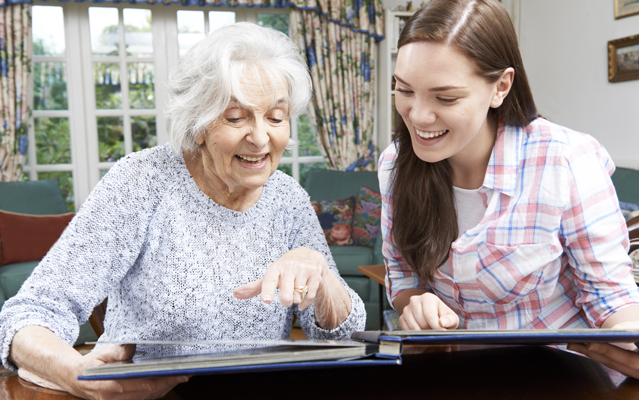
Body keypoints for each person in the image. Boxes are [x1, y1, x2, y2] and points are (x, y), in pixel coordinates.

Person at [0, 22, 365, 399]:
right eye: (236, 117)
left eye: (275, 117)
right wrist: (76, 374)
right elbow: (31, 312)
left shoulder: (287, 197)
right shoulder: (141, 182)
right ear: (199, 121)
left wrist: (321, 277)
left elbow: (339, 333)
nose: (260, 137)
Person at [379, 0, 639, 381]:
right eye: (404, 90)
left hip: (562, 376)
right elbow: (403, 275)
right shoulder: (395, 165)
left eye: (445, 97)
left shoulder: (564, 159)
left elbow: (610, 294)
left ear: (501, 87)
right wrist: (415, 303)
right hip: (454, 375)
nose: (417, 116)